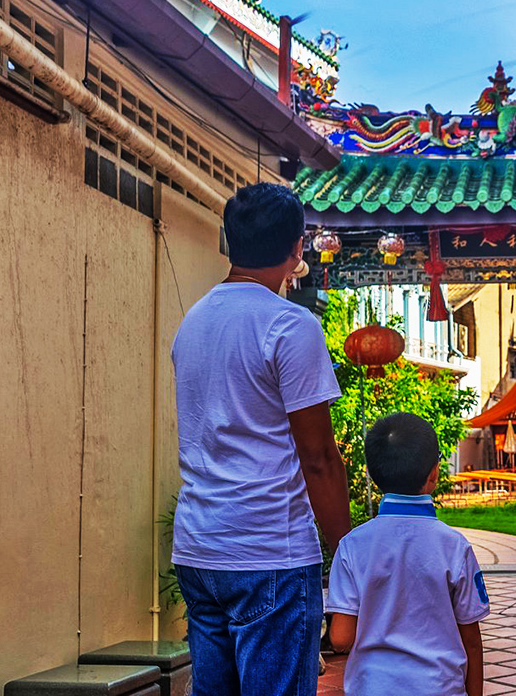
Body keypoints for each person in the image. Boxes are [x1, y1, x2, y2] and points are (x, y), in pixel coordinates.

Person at [171, 182, 351, 696]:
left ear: (229, 241)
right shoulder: (289, 326)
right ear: (297, 250)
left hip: (200, 548)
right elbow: (317, 457)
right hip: (269, 550)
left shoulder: (195, 319)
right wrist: (345, 550)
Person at [328, 413, 490, 696]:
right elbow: (471, 640)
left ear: (372, 473)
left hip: (372, 688)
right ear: (434, 472)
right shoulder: (454, 545)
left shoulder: (351, 546)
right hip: (439, 687)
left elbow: (340, 637)